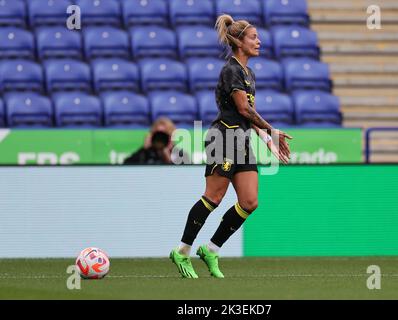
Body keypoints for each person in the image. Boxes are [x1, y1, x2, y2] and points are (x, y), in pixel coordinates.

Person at [170, 14, 292, 278]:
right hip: (223, 139)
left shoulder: (248, 72)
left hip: (242, 140)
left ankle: (211, 249)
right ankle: (181, 251)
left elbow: (250, 114)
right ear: (238, 42)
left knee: (249, 201)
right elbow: (242, 108)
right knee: (213, 197)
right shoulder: (231, 70)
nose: (259, 42)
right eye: (253, 37)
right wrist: (273, 130)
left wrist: (267, 139)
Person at [123, 117, 188, 165]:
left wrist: (169, 159)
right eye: (157, 135)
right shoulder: (146, 152)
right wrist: (144, 150)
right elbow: (126, 164)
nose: (160, 138)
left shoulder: (180, 154)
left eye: (164, 135)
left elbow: (188, 174)